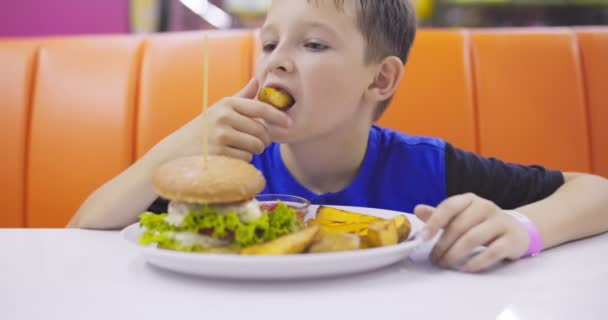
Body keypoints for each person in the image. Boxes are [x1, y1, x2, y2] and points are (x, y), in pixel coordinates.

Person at [68, 0, 608, 272]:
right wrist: (182, 145)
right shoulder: (225, 173)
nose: (278, 62)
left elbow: (597, 192)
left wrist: (522, 228)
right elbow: (83, 229)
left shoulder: (429, 168)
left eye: (314, 46)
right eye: (270, 43)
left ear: (380, 78)